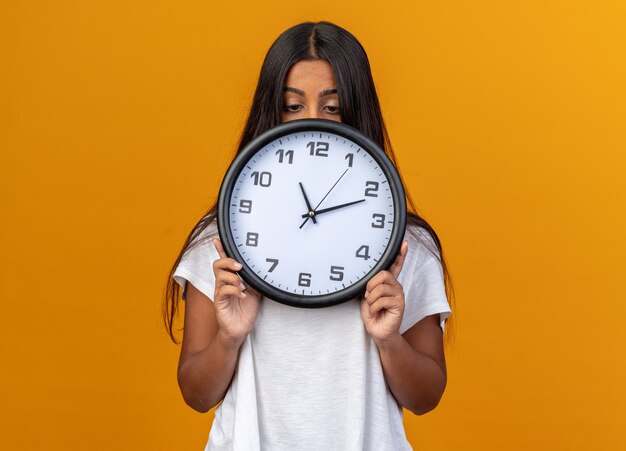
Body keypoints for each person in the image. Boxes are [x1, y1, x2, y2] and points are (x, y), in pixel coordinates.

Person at [163, 21, 453, 450]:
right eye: (292, 107)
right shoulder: (221, 237)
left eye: (333, 108)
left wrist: (390, 341)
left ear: (358, 112)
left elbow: (426, 397)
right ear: (271, 113)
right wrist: (230, 336)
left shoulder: (405, 244)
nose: (313, 125)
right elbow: (197, 394)